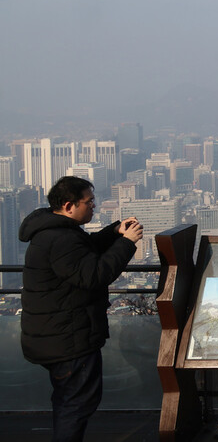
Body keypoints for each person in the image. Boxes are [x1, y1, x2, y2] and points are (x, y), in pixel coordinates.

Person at [19, 175, 144, 442]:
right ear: (68, 205)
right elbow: (94, 275)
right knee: (76, 404)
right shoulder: (62, 238)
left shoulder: (54, 232)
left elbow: (82, 255)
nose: (94, 206)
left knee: (68, 401)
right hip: (69, 339)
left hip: (56, 335)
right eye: (89, 201)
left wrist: (113, 232)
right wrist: (126, 243)